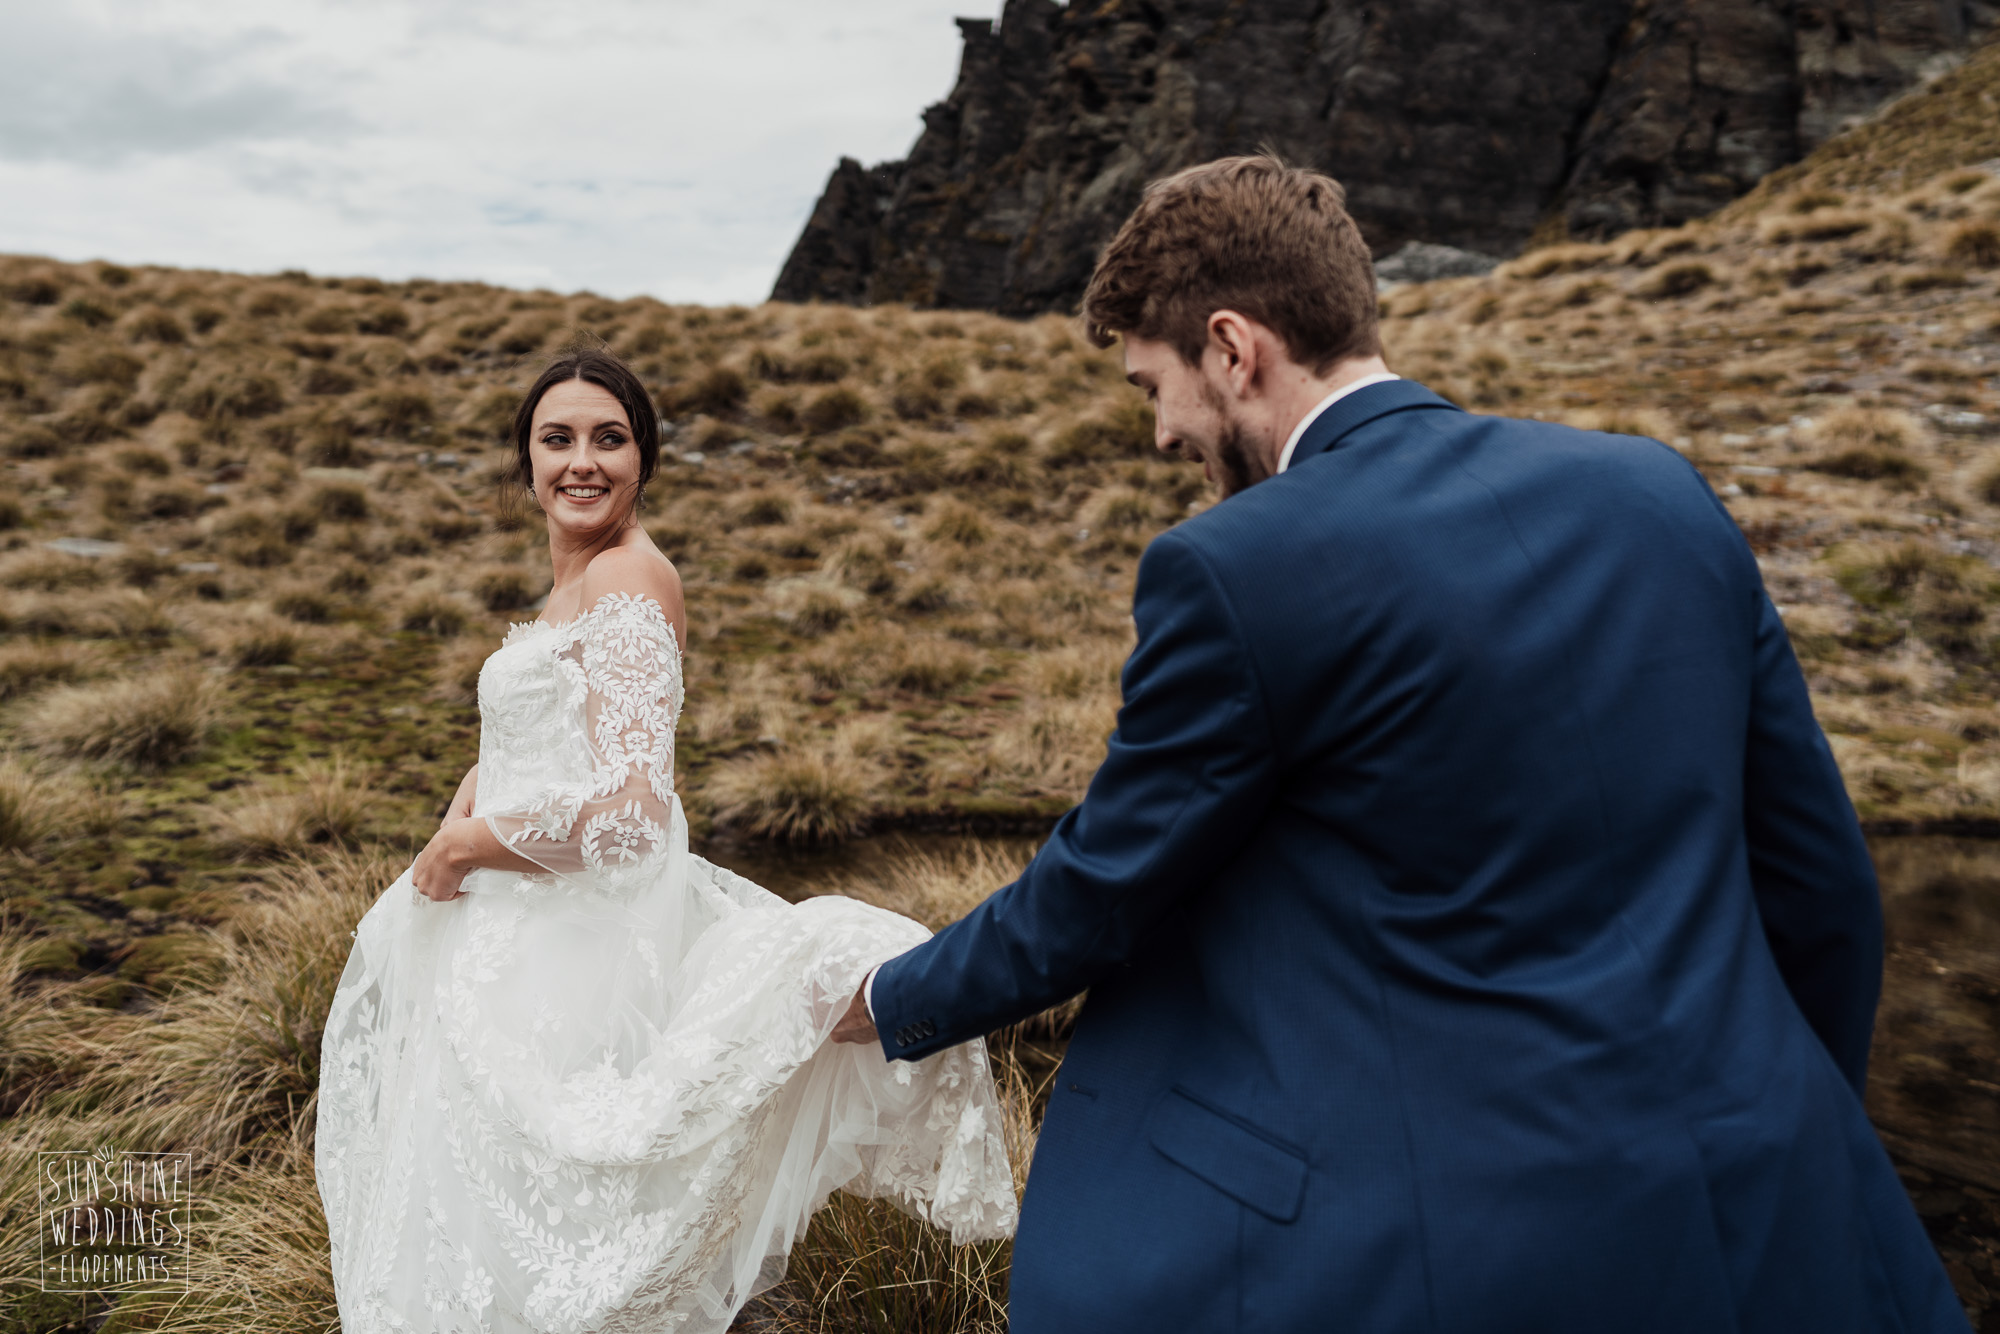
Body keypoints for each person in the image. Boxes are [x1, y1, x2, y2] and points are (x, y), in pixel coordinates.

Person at [831, 154, 1972, 1332]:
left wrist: (886, 995)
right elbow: (1820, 884)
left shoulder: (1234, 567)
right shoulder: (1658, 493)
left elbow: (1099, 888)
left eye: (1151, 386)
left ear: (1232, 348)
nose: (1163, 433)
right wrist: (1793, 1122)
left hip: (1469, 1251)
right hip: (1759, 1201)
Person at [313, 347, 1016, 1334]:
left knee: (553, 1226)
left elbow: (631, 814)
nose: (581, 461)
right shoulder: (578, 583)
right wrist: (467, 805)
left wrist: (469, 845)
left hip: (570, 953)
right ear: (525, 459)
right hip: (512, 929)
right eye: (557, 438)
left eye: (609, 438)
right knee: (480, 1219)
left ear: (643, 458)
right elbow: (546, 744)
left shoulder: (629, 576)